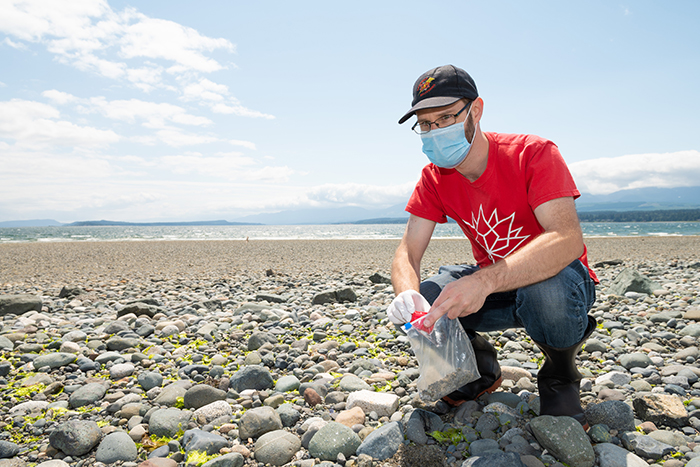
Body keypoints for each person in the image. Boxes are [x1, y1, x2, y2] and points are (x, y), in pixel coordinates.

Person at [387, 64, 599, 428]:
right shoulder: (435, 178)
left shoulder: (533, 154)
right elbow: (407, 251)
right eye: (426, 124)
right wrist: (407, 297)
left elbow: (567, 240)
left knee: (546, 292)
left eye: (446, 117)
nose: (435, 131)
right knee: (428, 295)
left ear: (476, 110)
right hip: (496, 286)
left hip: (558, 284)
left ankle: (560, 374)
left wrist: (483, 283)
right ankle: (477, 367)